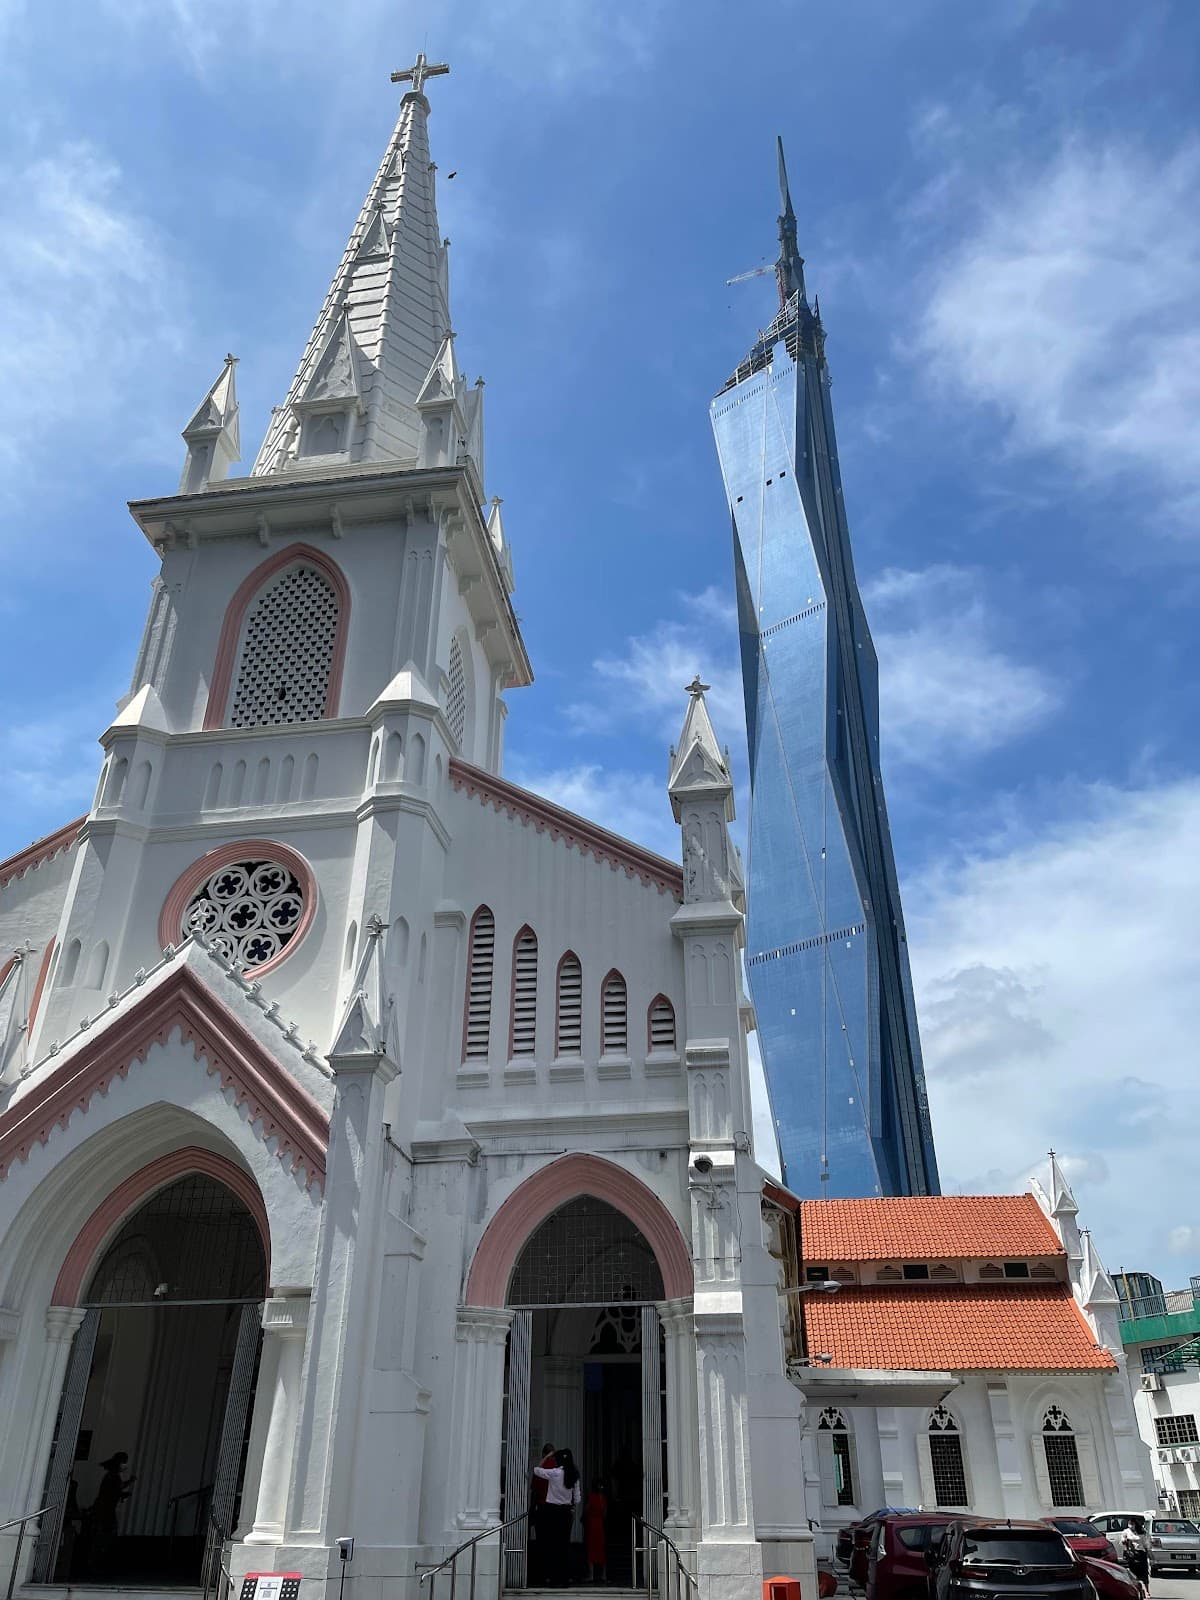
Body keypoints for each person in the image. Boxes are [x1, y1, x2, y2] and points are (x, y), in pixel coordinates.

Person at [533, 1448, 581, 1586]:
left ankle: (553, 1578)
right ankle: (564, 1578)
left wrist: (547, 1456)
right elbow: (577, 1498)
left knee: (552, 1544)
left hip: (552, 1511)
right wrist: (571, 1507)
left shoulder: (555, 1473)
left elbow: (536, 1470)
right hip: (566, 1512)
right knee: (564, 1545)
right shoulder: (574, 1475)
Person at [530, 1443, 556, 1584]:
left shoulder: (541, 1468)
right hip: (554, 1509)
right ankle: (552, 1574)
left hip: (541, 1507)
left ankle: (541, 1574)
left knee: (541, 1542)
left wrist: (531, 1509)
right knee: (553, 1542)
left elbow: (534, 1490)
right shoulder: (557, 1467)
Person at [584, 1479, 608, 1584]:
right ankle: (603, 1575)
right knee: (601, 1549)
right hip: (600, 1524)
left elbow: (586, 1509)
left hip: (592, 1523)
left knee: (591, 1549)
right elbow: (605, 1513)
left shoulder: (590, 1497)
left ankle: (591, 1575)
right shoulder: (603, 1498)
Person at [1119, 1519, 1150, 1592]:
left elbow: (1146, 1544)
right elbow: (1122, 1542)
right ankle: (1136, 1589)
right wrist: (1125, 1541)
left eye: (1132, 1524)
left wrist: (1148, 1553)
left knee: (1144, 1573)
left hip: (1141, 1553)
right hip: (1131, 1554)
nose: (1130, 1525)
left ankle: (1147, 1591)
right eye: (1129, 1523)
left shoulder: (1141, 1532)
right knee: (1132, 1573)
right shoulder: (1126, 1531)